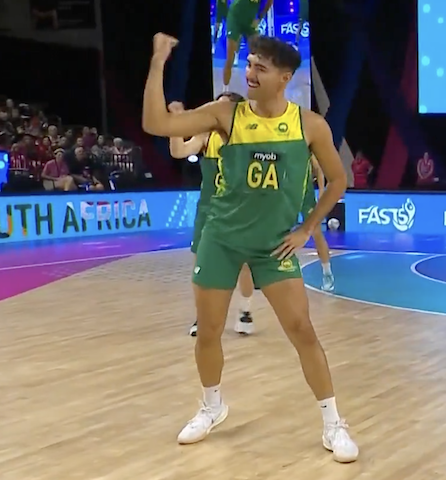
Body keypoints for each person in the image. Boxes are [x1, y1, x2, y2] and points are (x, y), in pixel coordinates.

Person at [141, 33, 357, 462]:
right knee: (208, 331)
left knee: (303, 332)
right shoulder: (226, 114)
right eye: (250, 64)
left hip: (273, 246)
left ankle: (334, 424)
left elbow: (338, 180)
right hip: (220, 240)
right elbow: (158, 125)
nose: (250, 73)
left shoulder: (309, 125)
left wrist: (306, 229)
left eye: (260, 67)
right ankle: (211, 406)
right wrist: (157, 63)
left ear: (285, 77)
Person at [168, 93, 257, 337]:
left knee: (244, 266)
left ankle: (245, 311)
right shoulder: (206, 134)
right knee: (202, 267)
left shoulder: (248, 136)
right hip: (209, 209)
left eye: (223, 104)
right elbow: (178, 151)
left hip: (239, 209)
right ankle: (203, 316)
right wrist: (175, 123)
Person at [302, 154, 336, 291]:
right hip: (286, 195)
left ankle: (327, 274)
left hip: (306, 197)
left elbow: (318, 169)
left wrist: (321, 192)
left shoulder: (305, 146)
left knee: (316, 233)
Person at [222, 0, 273, 92]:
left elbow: (269, 2)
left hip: (250, 20)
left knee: (259, 54)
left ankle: (258, 87)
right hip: (235, 17)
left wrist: (260, 18)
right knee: (230, 57)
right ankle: (225, 90)